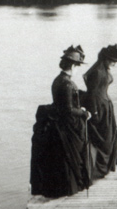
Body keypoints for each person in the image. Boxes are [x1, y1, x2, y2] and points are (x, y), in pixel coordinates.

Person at [29, 45, 92, 198]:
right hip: (66, 126)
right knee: (70, 157)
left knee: (61, 159)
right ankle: (67, 188)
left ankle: (61, 187)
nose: (77, 69)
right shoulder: (67, 83)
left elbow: (62, 104)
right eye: (77, 66)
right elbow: (68, 110)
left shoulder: (58, 80)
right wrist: (84, 113)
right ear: (72, 65)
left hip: (58, 122)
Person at [81, 44, 117, 178]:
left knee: (109, 137)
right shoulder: (97, 72)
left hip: (105, 106)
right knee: (104, 139)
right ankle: (100, 169)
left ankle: (104, 168)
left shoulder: (103, 69)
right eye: (113, 60)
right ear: (106, 59)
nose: (114, 63)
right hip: (99, 108)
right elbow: (92, 94)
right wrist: (94, 112)